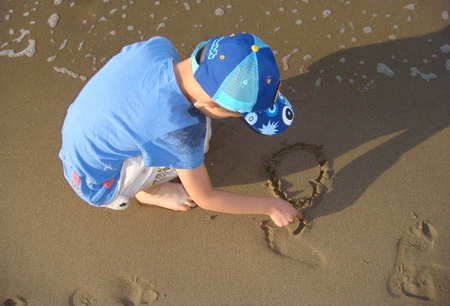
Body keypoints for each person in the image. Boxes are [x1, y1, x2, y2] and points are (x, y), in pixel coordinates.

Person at [59, 33, 301, 227]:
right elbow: (205, 198)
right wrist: (271, 206)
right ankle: (151, 191)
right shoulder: (184, 133)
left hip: (79, 135)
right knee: (199, 141)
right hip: (98, 183)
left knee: (161, 132)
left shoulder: (158, 48)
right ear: (207, 104)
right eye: (235, 114)